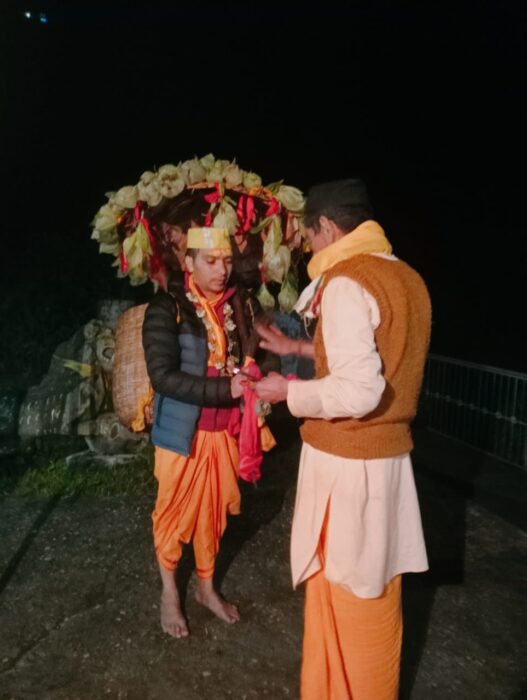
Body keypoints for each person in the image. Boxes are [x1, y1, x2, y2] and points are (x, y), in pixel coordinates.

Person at [255, 179, 431, 699]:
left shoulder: (346, 281)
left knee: (353, 598)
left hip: (350, 469)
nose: (309, 248)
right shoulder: (403, 276)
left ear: (328, 227)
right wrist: (298, 348)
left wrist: (288, 391)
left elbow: (360, 387)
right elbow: (378, 350)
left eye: (309, 237)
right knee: (376, 589)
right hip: (387, 460)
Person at [142, 226, 251, 639]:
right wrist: (227, 389)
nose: (222, 270)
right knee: (173, 513)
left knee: (213, 515)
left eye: (227, 260)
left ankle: (206, 588)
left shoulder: (236, 305)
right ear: (188, 262)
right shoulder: (167, 307)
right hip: (182, 433)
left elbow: (253, 354)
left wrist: (257, 377)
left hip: (223, 433)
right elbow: (163, 377)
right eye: (211, 260)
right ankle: (170, 592)